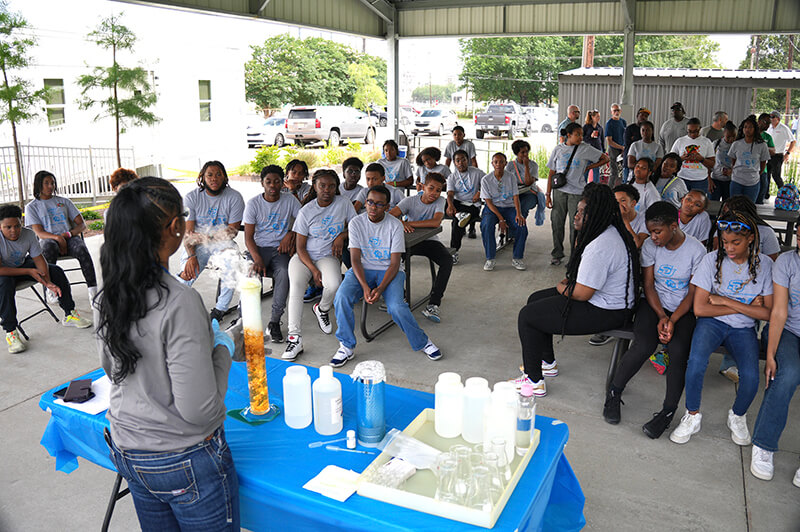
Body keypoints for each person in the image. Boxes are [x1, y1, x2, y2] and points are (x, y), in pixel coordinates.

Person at [96, 177, 238, 531]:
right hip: (182, 459)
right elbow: (200, 412)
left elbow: (112, 369)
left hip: (128, 448)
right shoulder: (179, 301)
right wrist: (221, 349)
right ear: (175, 227)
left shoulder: (108, 292)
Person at [516, 183, 641, 396]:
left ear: (597, 215)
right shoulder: (607, 231)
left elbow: (582, 294)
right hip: (612, 303)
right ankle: (547, 363)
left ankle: (533, 381)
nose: (576, 215)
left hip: (609, 311)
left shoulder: (601, 245)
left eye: (582, 212)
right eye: (578, 210)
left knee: (528, 316)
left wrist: (561, 287)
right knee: (535, 299)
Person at [670, 211, 773, 446]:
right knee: (695, 362)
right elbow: (700, 309)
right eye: (725, 242)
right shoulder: (711, 260)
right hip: (712, 323)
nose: (729, 248)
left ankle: (737, 415)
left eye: (735, 242)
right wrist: (746, 307)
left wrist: (725, 301)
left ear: (750, 239)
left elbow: (768, 312)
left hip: (743, 329)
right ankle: (692, 415)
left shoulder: (764, 265)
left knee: (750, 376)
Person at [603, 201, 706, 438]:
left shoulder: (696, 250)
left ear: (674, 225)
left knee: (679, 351)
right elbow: (648, 284)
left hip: (684, 309)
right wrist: (661, 315)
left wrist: (673, 319)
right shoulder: (650, 246)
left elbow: (692, 292)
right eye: (650, 231)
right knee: (644, 344)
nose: (653, 237)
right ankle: (614, 394)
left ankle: (668, 412)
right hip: (654, 305)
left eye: (658, 231)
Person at [332, 185, 442, 367]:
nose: (373, 207)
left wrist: (381, 288)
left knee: (397, 306)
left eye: (379, 204)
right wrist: (366, 288)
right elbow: (355, 260)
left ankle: (422, 342)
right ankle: (346, 346)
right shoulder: (356, 223)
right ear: (365, 202)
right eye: (370, 202)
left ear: (387, 206)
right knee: (341, 298)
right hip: (362, 270)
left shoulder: (395, 225)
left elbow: (394, 263)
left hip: (390, 271)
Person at [282, 169, 356, 361]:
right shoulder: (307, 210)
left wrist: (341, 235)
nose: (327, 189)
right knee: (297, 288)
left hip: (327, 256)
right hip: (303, 258)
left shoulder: (344, 204)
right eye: (322, 185)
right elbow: (300, 247)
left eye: (331, 185)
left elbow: (356, 226)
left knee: (334, 284)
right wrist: (313, 270)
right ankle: (294, 338)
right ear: (314, 187)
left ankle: (322, 309)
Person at [0, 204, 90, 353]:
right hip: (4, 272)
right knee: (4, 284)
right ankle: (11, 332)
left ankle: (69, 313)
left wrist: (48, 282)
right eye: (7, 227)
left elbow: (39, 260)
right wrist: (29, 271)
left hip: (22, 265)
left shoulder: (28, 234)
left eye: (17, 226)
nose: (14, 231)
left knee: (55, 270)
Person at [710, 195, 781, 382]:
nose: (727, 215)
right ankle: (730, 361)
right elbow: (719, 254)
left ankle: (734, 362)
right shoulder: (724, 228)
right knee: (730, 317)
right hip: (727, 284)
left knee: (749, 318)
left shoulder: (765, 233)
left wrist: (758, 293)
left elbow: (772, 264)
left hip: (755, 287)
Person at [749, 225, 800, 486]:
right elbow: (778, 312)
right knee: (787, 372)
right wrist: (770, 355)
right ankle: (764, 444)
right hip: (787, 331)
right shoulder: (788, 262)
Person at [178, 161, 244, 322]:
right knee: (187, 274)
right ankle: (173, 303)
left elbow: (232, 231)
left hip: (222, 242)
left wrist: (211, 238)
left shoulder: (234, 197)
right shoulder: (192, 197)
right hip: (197, 243)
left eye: (218, 174)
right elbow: (188, 233)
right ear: (202, 177)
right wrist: (191, 256)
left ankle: (220, 309)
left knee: (232, 262)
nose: (214, 178)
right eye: (210, 175)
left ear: (224, 177)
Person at [243, 164, 301, 343]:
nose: (273, 185)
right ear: (262, 183)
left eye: (277, 181)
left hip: (279, 250)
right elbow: (248, 237)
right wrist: (257, 259)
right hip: (257, 249)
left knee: (284, 273)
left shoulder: (289, 200)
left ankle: (274, 321)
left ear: (283, 183)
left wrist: (290, 234)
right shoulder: (253, 203)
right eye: (268, 181)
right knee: (251, 276)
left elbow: (303, 222)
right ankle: (247, 322)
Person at [25, 170, 98, 306]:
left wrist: (67, 235)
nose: (50, 186)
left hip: (69, 237)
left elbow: (81, 224)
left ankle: (93, 290)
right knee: (47, 247)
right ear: (38, 185)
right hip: (49, 239)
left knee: (81, 249)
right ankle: (51, 289)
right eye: (46, 183)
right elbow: (39, 233)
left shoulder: (64, 202)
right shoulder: (32, 207)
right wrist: (58, 239)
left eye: (52, 183)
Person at [390, 173, 451, 323]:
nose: (434, 193)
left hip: (430, 241)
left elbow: (436, 222)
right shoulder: (410, 201)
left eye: (438, 190)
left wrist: (408, 224)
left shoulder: (440, 201)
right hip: (409, 242)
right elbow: (390, 216)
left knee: (447, 261)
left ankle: (434, 303)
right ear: (423, 187)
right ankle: (400, 296)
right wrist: (400, 222)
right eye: (431, 188)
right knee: (394, 261)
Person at [546, 122, 609, 266]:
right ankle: (557, 253)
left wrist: (589, 167)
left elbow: (605, 158)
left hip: (577, 192)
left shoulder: (585, 148)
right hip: (559, 192)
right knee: (557, 223)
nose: (581, 137)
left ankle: (575, 256)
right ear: (568, 135)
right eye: (577, 134)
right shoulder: (558, 149)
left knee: (576, 225)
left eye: (581, 134)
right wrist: (548, 194)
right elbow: (551, 172)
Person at [480, 152, 528, 271]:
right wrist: (501, 219)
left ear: (506, 163)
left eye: (501, 161)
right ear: (492, 164)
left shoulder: (511, 177)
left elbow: (516, 197)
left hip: (509, 207)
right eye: (496, 162)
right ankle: (490, 258)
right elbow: (489, 202)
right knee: (486, 225)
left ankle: (517, 258)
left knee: (521, 226)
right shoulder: (486, 179)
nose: (499, 164)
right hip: (493, 208)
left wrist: (518, 213)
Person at [445, 150, 484, 264]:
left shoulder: (477, 173)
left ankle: (454, 252)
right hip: (458, 204)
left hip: (472, 205)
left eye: (463, 160)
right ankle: (459, 214)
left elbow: (488, 184)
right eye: (458, 160)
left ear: (468, 161)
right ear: (454, 162)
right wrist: (450, 205)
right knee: (444, 203)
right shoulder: (452, 177)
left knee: (456, 223)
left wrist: (480, 192)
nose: (461, 163)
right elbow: (450, 194)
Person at [728, 115, 770, 203]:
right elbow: (733, 161)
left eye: (750, 127)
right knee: (734, 206)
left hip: (752, 182)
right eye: (745, 127)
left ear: (755, 129)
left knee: (749, 207)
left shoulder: (762, 145)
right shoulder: (736, 144)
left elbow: (763, 163)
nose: (747, 129)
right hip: (737, 180)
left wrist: (756, 173)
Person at [669, 117, 715, 192]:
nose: (693, 134)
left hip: (700, 180)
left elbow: (712, 164)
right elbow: (670, 159)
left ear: (700, 129)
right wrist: (681, 158)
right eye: (690, 131)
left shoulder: (706, 142)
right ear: (686, 130)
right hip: (682, 178)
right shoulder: (680, 141)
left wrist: (701, 159)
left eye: (696, 131)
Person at [506, 139, 540, 220]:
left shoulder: (533, 165)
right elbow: (506, 182)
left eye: (527, 152)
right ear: (516, 153)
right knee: (509, 208)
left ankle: (519, 229)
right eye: (522, 152)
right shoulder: (511, 165)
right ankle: (510, 230)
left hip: (529, 193)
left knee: (522, 209)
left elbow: (528, 182)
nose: (526, 154)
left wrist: (526, 166)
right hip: (515, 193)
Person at [766, 110, 796, 191]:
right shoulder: (769, 128)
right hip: (767, 155)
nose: (770, 119)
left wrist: (787, 153)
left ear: (778, 119)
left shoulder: (784, 128)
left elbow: (793, 141)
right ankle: (765, 194)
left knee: (776, 175)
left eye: (772, 117)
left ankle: (783, 194)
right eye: (770, 117)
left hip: (777, 155)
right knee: (766, 175)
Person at [613, 184, 649, 249]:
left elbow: (637, 244)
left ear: (633, 203)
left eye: (623, 200)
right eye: (616, 201)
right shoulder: (612, 219)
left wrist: (625, 220)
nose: (618, 205)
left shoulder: (644, 220)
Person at [709, 121, 738, 201]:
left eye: (734, 136)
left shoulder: (738, 146)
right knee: (713, 205)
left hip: (731, 181)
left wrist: (731, 171)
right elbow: (709, 161)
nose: (731, 139)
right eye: (728, 137)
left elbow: (740, 164)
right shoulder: (716, 144)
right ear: (724, 134)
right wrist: (709, 179)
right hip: (716, 179)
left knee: (728, 205)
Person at [623, 107, 651, 183]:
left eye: (646, 116)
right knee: (626, 183)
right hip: (630, 162)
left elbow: (650, 143)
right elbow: (627, 143)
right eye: (642, 115)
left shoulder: (649, 130)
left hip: (643, 162)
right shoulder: (630, 128)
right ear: (637, 116)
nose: (644, 117)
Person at [757, 113, 778, 203]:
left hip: (763, 169)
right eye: (766, 122)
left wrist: (762, 146)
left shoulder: (767, 137)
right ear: (759, 121)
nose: (767, 126)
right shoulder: (749, 134)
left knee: (763, 190)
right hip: (749, 169)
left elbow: (773, 151)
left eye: (769, 123)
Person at [605, 103, 627, 187]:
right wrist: (621, 147)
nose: (616, 112)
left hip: (622, 149)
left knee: (623, 171)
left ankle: (622, 189)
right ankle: (609, 190)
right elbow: (609, 141)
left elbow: (625, 136)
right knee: (614, 172)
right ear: (611, 112)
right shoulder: (609, 123)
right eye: (614, 110)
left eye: (618, 110)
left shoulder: (623, 122)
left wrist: (624, 147)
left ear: (620, 111)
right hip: (613, 150)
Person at [583, 109, 605, 183]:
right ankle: (584, 184)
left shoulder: (600, 128)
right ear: (592, 117)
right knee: (586, 169)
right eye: (597, 116)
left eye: (599, 116)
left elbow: (602, 140)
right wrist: (590, 136)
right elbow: (582, 139)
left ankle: (596, 185)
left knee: (596, 170)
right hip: (588, 151)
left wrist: (603, 150)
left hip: (598, 150)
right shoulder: (586, 127)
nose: (598, 118)